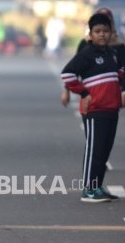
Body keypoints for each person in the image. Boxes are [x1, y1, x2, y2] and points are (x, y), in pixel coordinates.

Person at [61, 13, 123, 203]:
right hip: (95, 110)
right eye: (97, 31)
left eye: (105, 31)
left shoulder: (112, 54)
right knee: (94, 150)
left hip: (112, 109)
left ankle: (97, 186)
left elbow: (119, 74)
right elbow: (68, 74)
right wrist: (84, 93)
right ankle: (88, 189)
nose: (102, 35)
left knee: (104, 151)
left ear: (111, 33)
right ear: (90, 33)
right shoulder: (86, 54)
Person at [61, 7, 125, 107]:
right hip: (91, 95)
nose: (102, 34)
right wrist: (67, 91)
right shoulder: (85, 44)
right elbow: (74, 68)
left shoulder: (120, 45)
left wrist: (123, 90)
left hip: (113, 96)